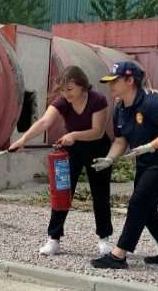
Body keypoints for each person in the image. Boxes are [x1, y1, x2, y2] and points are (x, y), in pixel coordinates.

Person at [90, 61, 158, 269]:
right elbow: (121, 141)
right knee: (147, 207)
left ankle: (118, 256)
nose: (110, 85)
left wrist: (150, 146)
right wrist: (110, 159)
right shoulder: (120, 108)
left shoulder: (152, 102)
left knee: (138, 203)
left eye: (115, 81)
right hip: (146, 161)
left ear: (130, 81)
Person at [9, 66, 114, 256]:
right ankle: (54, 239)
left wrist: (73, 135)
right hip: (72, 149)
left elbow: (97, 132)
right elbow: (44, 122)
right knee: (62, 191)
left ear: (82, 85)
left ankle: (104, 239)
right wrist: (23, 140)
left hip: (98, 148)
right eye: (63, 90)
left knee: (100, 194)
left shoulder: (97, 100)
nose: (66, 94)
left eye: (70, 89)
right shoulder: (62, 101)